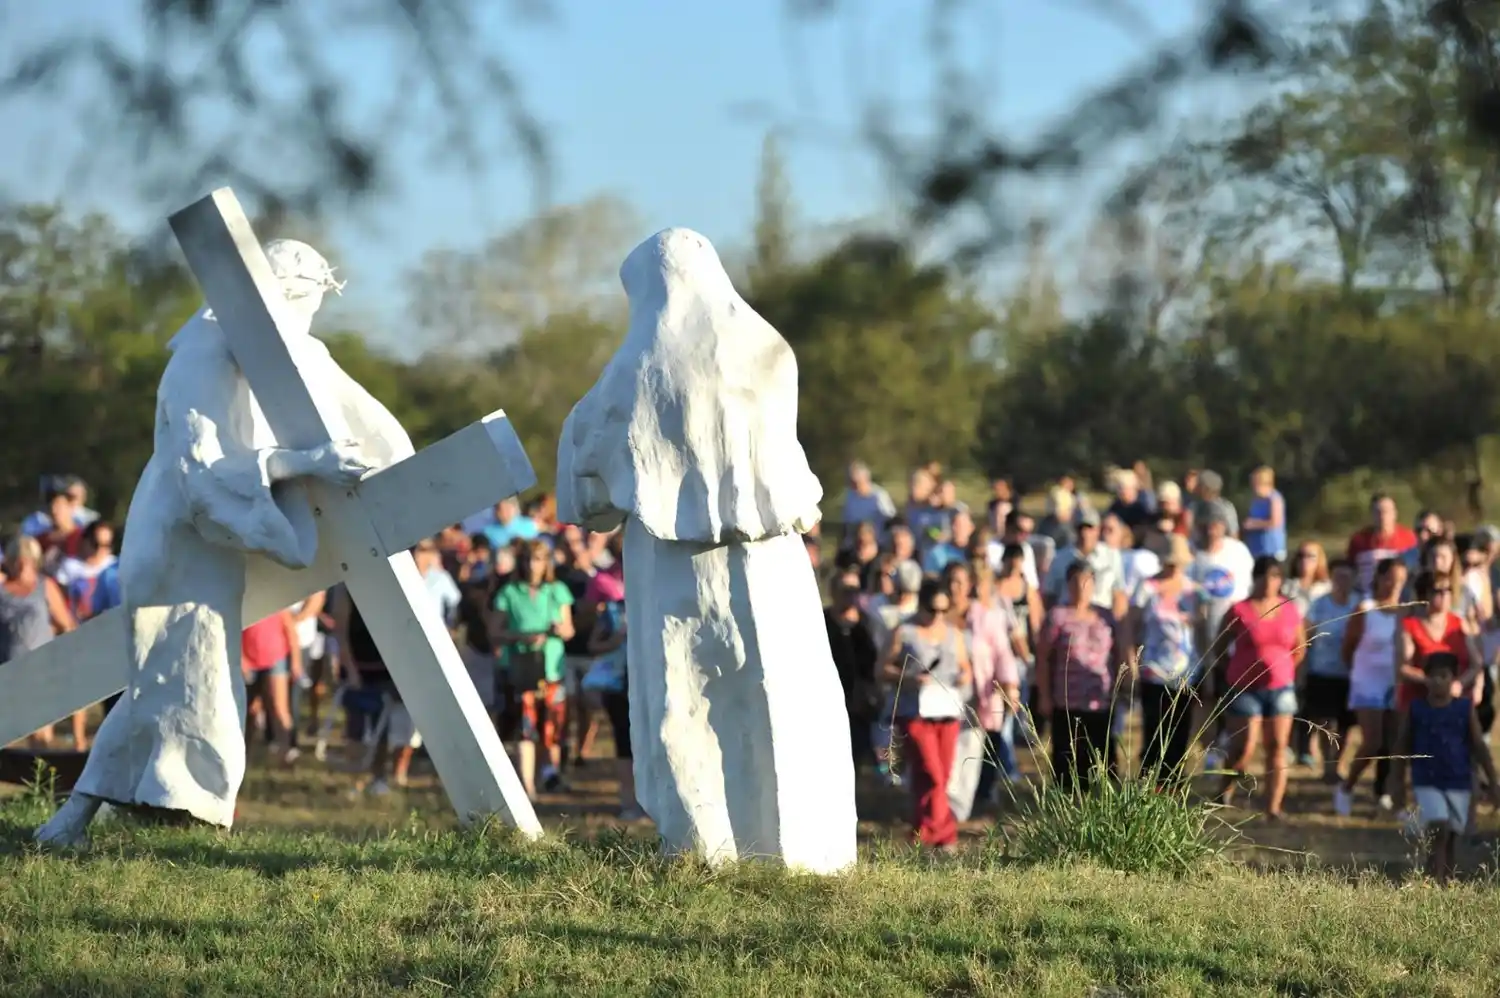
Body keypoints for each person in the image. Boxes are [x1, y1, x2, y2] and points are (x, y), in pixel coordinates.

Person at [1391, 652, 1500, 884]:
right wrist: (1396, 781)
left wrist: (1492, 781)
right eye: (1433, 676)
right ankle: (1435, 880)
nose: (1438, 681)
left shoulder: (1464, 709)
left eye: (1444, 676)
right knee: (1438, 827)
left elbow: (1479, 745)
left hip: (1458, 781)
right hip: (1426, 779)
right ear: (1425, 678)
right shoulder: (1417, 709)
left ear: (1454, 679)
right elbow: (1402, 745)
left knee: (1449, 835)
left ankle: (1444, 880)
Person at [1212, 556, 1304, 818]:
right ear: (1255, 579)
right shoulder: (1239, 610)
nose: (1269, 582)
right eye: (1263, 576)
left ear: (1281, 580)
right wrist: (1236, 670)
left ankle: (1273, 806)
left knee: (1277, 746)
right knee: (1243, 747)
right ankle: (1224, 788)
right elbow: (1218, 648)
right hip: (1244, 687)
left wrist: (1284, 668)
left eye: (1274, 576)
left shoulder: (1289, 609)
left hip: (1280, 687)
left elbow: (1300, 646)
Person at [883, 578, 972, 850]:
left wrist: (962, 679)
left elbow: (965, 668)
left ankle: (923, 831)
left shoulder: (952, 633)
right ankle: (944, 834)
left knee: (938, 777)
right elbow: (882, 668)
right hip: (915, 711)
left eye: (944, 611)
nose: (938, 616)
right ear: (921, 606)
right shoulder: (905, 631)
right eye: (933, 610)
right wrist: (909, 679)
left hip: (945, 711)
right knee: (930, 771)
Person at [493, 538, 576, 798]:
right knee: (525, 726)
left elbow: (569, 629)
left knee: (552, 726)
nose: (533, 564)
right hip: (522, 667)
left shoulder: (557, 590)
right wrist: (522, 637)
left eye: (539, 559)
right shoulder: (509, 592)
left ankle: (550, 774)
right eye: (529, 558)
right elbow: (495, 631)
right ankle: (527, 784)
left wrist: (557, 629)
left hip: (551, 667)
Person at [1125, 533, 1205, 788]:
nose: (1174, 567)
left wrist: (1207, 668)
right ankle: (1150, 787)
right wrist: (1131, 664)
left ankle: (1173, 786)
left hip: (1187, 673)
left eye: (1178, 562)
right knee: (1153, 732)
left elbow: (1202, 633)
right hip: (1154, 671)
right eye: (1170, 561)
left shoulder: (1194, 592)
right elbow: (1131, 626)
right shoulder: (1147, 587)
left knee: (1180, 734)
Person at [1035, 562, 1122, 794]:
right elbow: (1043, 658)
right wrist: (1043, 695)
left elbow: (1118, 653)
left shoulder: (1105, 616)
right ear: (1068, 584)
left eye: (1087, 582)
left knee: (1101, 756)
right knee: (1068, 756)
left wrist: (1121, 686)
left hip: (1100, 699)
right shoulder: (1057, 616)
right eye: (1076, 582)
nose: (1082, 588)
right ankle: (1069, 802)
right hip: (1067, 699)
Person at [1334, 557, 1408, 815]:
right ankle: (1347, 785)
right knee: (1372, 741)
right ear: (1379, 578)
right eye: (1390, 578)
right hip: (1367, 683)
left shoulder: (1405, 611)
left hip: (1396, 682)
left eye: (1400, 580)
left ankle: (1390, 795)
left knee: (1395, 743)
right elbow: (1348, 648)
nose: (1394, 585)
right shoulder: (1365, 609)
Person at [0, 535, 79, 748]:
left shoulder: (45, 586)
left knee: (40, 738)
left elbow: (67, 625)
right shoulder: (2, 589)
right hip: (7, 672)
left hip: (40, 672)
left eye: (27, 558)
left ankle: (40, 781)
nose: (23, 564)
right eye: (18, 558)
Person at [583, 569, 638, 819]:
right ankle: (629, 802)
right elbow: (593, 645)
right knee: (624, 744)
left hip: (651, 685)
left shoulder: (656, 605)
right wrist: (615, 640)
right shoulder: (612, 612)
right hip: (619, 687)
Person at [1301, 559, 1359, 784]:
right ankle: (1327, 764)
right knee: (1326, 722)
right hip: (1322, 671)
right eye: (1338, 577)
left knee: (1345, 724)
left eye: (1347, 577)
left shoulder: (1359, 604)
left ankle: (1339, 763)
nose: (1342, 582)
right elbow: (1306, 637)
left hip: (1350, 673)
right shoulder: (1319, 604)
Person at [825, 568, 882, 772]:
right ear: (833, 591)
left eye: (855, 589)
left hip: (861, 706)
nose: (850, 595)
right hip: (827, 704)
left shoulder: (867, 624)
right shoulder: (821, 622)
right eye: (845, 589)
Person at [241, 607, 302, 762]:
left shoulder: (279, 605)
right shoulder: (243, 604)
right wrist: (241, 659)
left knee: (280, 708)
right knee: (248, 711)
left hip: (276, 659)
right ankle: (243, 754)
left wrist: (296, 662)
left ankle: (288, 749)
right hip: (248, 660)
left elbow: (290, 631)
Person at [1041, 510, 1127, 618]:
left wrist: (1118, 623)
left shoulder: (1111, 556)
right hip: (1068, 617)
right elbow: (1050, 595)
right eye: (1080, 528)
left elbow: (1119, 593)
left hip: (1101, 616)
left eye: (1089, 528)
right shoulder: (1060, 557)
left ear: (1098, 530)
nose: (1084, 533)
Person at [1346, 493, 1419, 595]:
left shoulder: (1408, 538)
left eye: (1387, 511)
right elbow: (1350, 571)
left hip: (1399, 599)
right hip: (1366, 597)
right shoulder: (1358, 540)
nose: (1382, 516)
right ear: (1371, 514)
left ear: (1395, 513)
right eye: (1378, 512)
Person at [842, 461, 896, 545]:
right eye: (852, 483)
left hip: (877, 542)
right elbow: (847, 522)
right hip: (855, 542)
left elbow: (890, 518)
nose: (855, 486)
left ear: (866, 479)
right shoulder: (850, 496)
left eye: (858, 482)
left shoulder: (879, 495)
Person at [1241, 466, 1288, 561]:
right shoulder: (1255, 500)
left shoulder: (1274, 498)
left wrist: (1253, 524)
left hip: (1271, 549)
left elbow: (1275, 522)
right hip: (1255, 548)